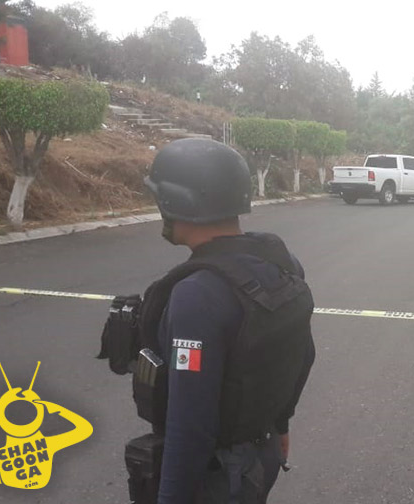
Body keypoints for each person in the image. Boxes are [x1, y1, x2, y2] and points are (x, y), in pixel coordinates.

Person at [135, 138, 316, 504]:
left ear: (176, 202)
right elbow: (302, 354)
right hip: (260, 453)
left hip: (221, 475)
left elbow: (191, 425)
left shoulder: (197, 295)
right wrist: (280, 424)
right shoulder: (281, 262)